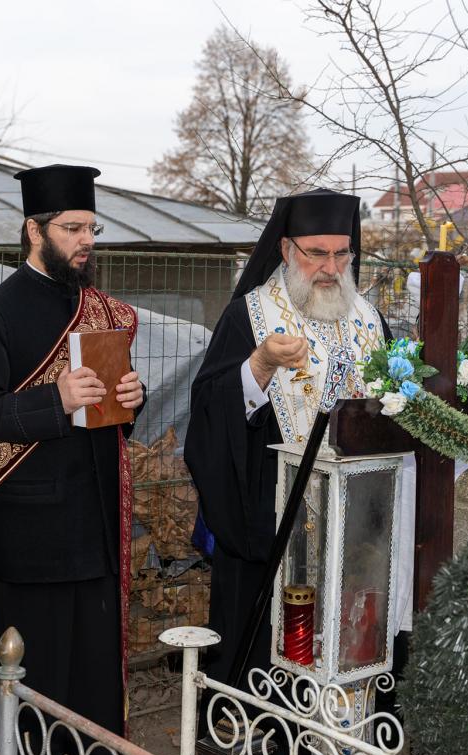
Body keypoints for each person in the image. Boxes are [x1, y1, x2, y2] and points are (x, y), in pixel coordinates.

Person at [0, 164, 143, 755]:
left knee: (95, 682)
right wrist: (51, 402)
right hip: (29, 540)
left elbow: (107, 417)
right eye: (71, 227)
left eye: (91, 227)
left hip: (98, 529)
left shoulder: (102, 309)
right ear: (34, 229)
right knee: (36, 686)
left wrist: (127, 402)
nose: (86, 239)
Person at [184, 189, 397, 687]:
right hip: (272, 516)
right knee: (270, 650)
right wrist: (258, 365)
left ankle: (345, 721)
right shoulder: (250, 316)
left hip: (355, 520)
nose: (330, 267)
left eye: (341, 253)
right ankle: (266, 726)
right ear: (285, 250)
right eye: (316, 253)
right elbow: (210, 411)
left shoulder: (370, 320)